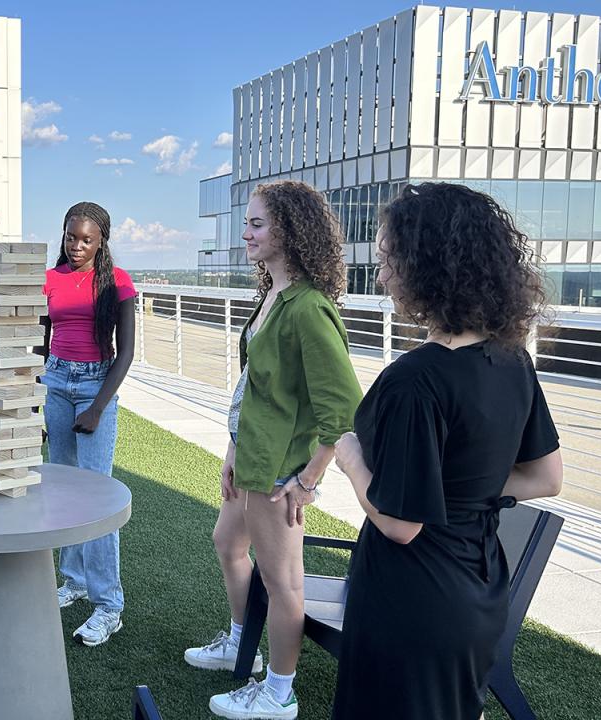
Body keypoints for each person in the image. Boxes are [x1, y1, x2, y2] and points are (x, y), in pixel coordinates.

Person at [330, 182, 563, 720]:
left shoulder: (414, 381)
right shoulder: (511, 360)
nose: (382, 273)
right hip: (479, 592)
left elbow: (399, 522)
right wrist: (460, 486)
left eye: (390, 258)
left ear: (426, 265)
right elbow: (545, 476)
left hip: (413, 598)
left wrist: (348, 456)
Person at [182, 181, 361, 720]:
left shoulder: (308, 309)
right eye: (248, 223)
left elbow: (343, 412)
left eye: (258, 224)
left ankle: (279, 692)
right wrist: (234, 449)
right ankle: (242, 645)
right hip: (252, 458)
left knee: (282, 584)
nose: (246, 233)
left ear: (290, 229)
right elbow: (255, 388)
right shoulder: (274, 297)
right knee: (226, 542)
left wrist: (307, 479)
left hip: (280, 471)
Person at [42, 201, 136, 647]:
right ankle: (74, 580)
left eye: (86, 240)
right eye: (70, 237)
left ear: (101, 241)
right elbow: (41, 341)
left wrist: (98, 406)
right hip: (57, 382)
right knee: (62, 486)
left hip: (97, 383)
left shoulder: (116, 283)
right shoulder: (50, 279)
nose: (76, 246)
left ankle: (108, 604)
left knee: (97, 496)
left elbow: (127, 353)